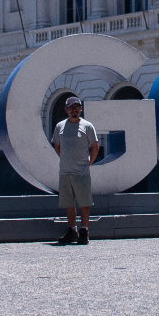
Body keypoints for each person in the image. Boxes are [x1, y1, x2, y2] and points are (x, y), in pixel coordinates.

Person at [51, 96, 98, 245]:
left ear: (81, 109)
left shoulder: (87, 126)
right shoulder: (60, 126)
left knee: (84, 203)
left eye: (77, 107)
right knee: (68, 203)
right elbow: (57, 146)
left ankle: (84, 231)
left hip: (81, 172)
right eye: (71, 108)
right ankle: (72, 231)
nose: (74, 110)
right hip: (65, 172)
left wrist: (88, 163)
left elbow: (95, 147)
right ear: (66, 110)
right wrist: (65, 159)